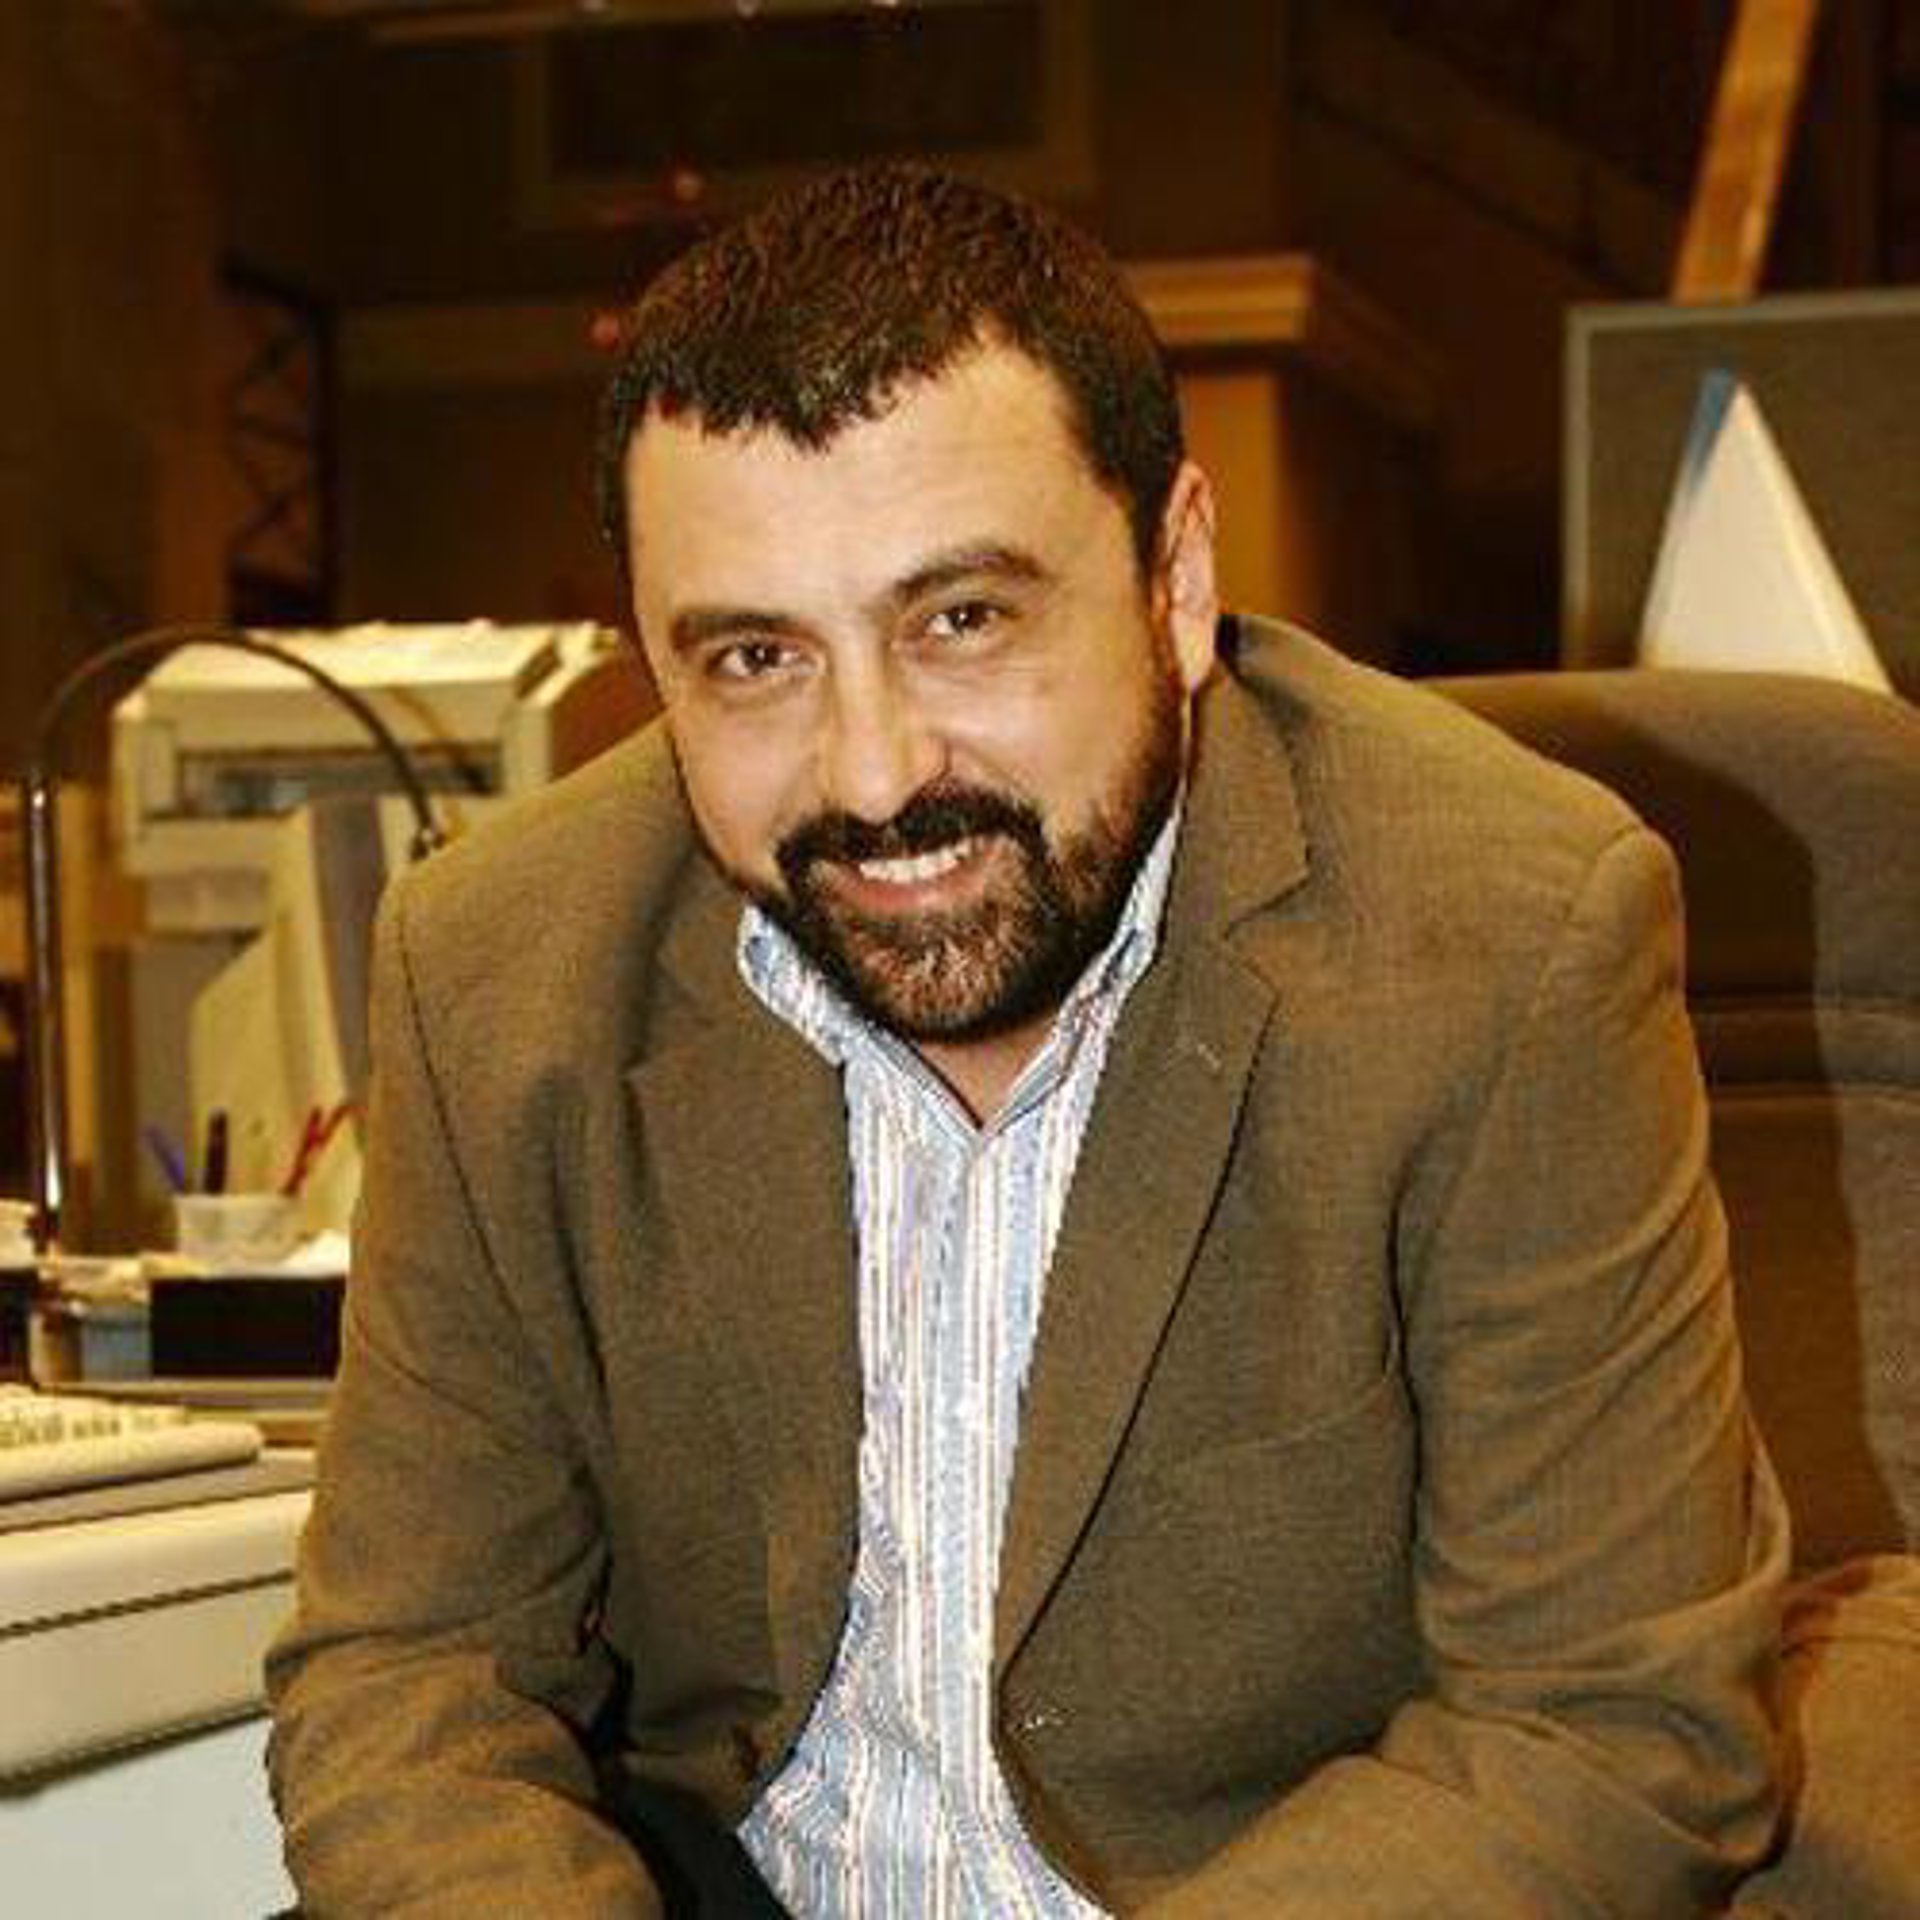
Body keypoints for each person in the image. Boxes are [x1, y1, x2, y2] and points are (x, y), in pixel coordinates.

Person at [266, 165, 1789, 1916]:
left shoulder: (1505, 937)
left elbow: (1602, 1721)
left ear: (1177, 576)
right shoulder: (498, 971)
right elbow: (414, 1667)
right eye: (755, 658)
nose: (872, 774)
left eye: (963, 620)